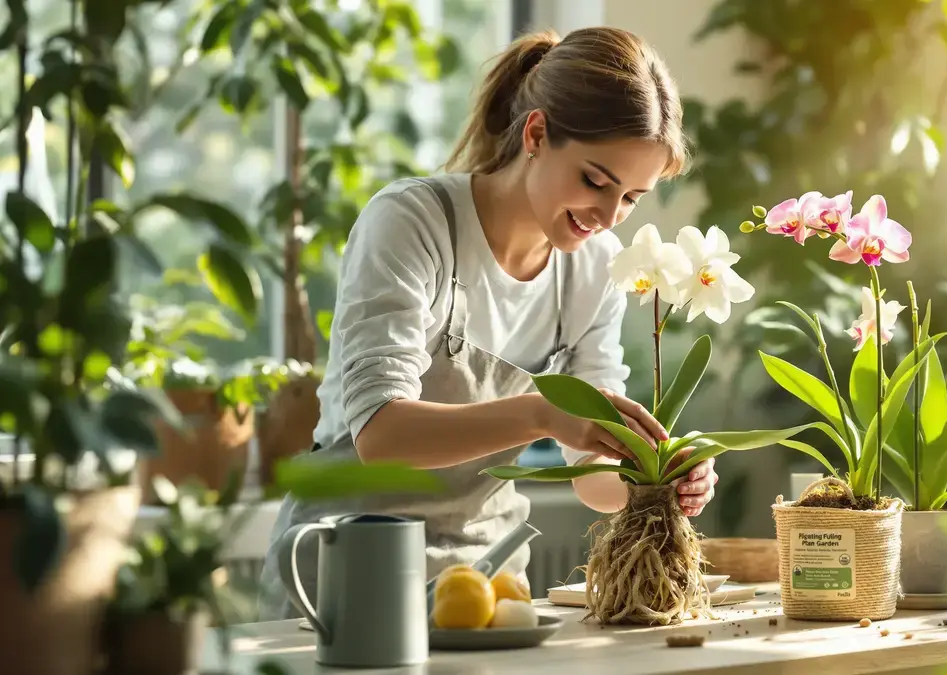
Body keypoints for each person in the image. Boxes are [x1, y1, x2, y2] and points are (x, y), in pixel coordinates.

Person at [257, 26, 720, 621]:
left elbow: (590, 478)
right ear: (536, 133)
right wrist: (543, 413)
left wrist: (653, 480)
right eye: (595, 181)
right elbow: (381, 435)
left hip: (485, 586)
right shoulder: (412, 222)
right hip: (347, 570)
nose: (608, 216)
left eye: (630, 197)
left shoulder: (596, 268)